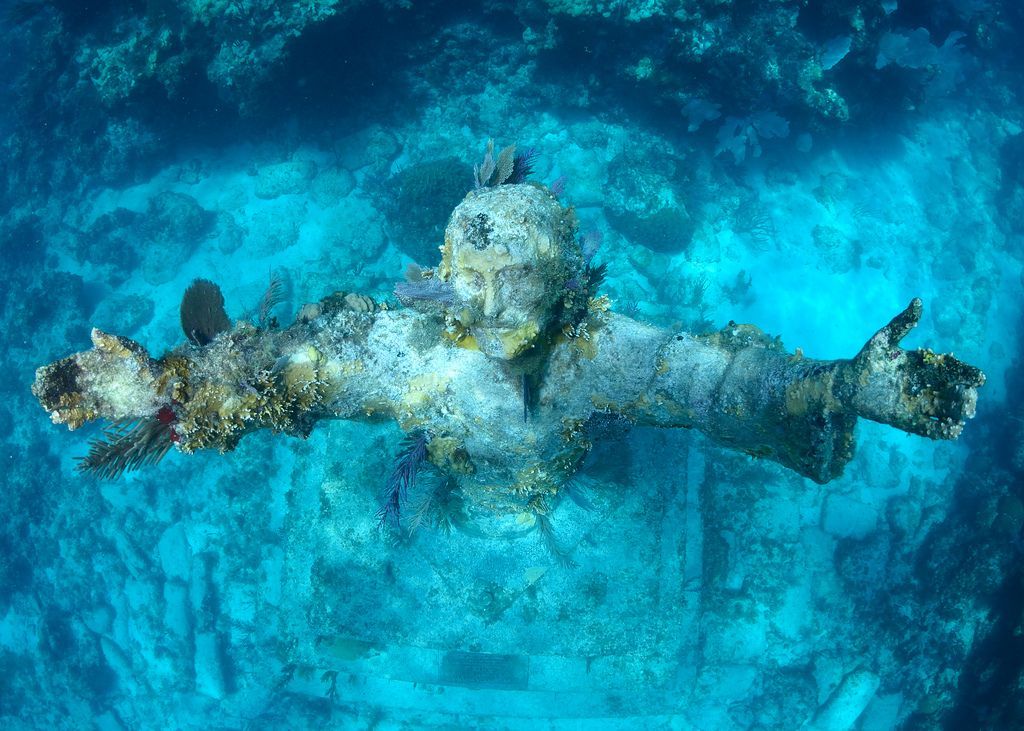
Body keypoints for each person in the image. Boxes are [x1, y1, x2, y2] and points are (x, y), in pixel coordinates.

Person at [32, 180, 985, 530]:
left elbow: (721, 377)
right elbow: (284, 367)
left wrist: (843, 385)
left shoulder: (606, 355)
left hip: (561, 462)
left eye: (512, 277)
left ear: (564, 283)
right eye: (468, 271)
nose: (484, 298)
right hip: (467, 469)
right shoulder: (408, 350)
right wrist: (165, 387)